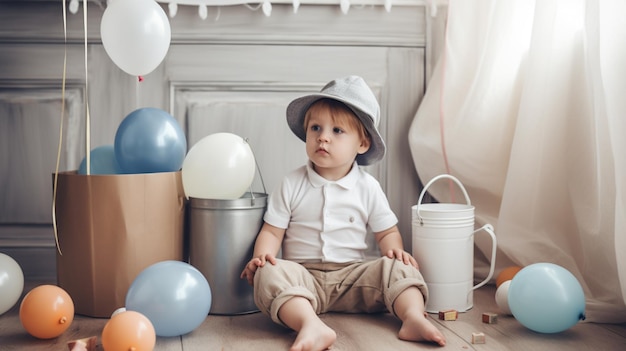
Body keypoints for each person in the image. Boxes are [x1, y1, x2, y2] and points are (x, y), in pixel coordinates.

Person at [240, 75, 446, 351]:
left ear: (362, 144)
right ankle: (308, 323)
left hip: (355, 278)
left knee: (401, 267)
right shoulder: (291, 183)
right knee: (268, 273)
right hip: (303, 277)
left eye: (337, 131)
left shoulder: (367, 187)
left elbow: (387, 232)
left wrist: (394, 251)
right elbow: (271, 231)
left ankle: (412, 316)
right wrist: (261, 256)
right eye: (316, 128)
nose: (323, 137)